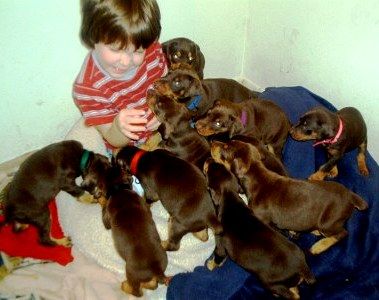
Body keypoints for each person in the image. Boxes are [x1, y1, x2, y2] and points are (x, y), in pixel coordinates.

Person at [73, 0, 167, 155]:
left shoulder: (152, 49)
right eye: (116, 49)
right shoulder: (88, 88)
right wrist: (118, 127)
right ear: (92, 36)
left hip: (163, 128)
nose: (126, 62)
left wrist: (164, 112)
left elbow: (166, 83)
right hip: (128, 148)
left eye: (137, 52)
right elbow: (113, 139)